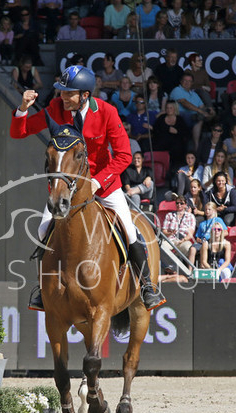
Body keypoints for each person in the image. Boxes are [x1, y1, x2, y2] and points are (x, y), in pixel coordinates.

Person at [10, 65, 165, 311]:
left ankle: (147, 286)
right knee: (42, 230)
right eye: (60, 92)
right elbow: (19, 133)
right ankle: (43, 289)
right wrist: (22, 109)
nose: (61, 97)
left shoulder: (107, 112)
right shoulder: (55, 110)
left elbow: (124, 155)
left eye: (67, 93)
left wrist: (97, 181)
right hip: (66, 190)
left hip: (104, 186)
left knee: (130, 231)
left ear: (84, 95)